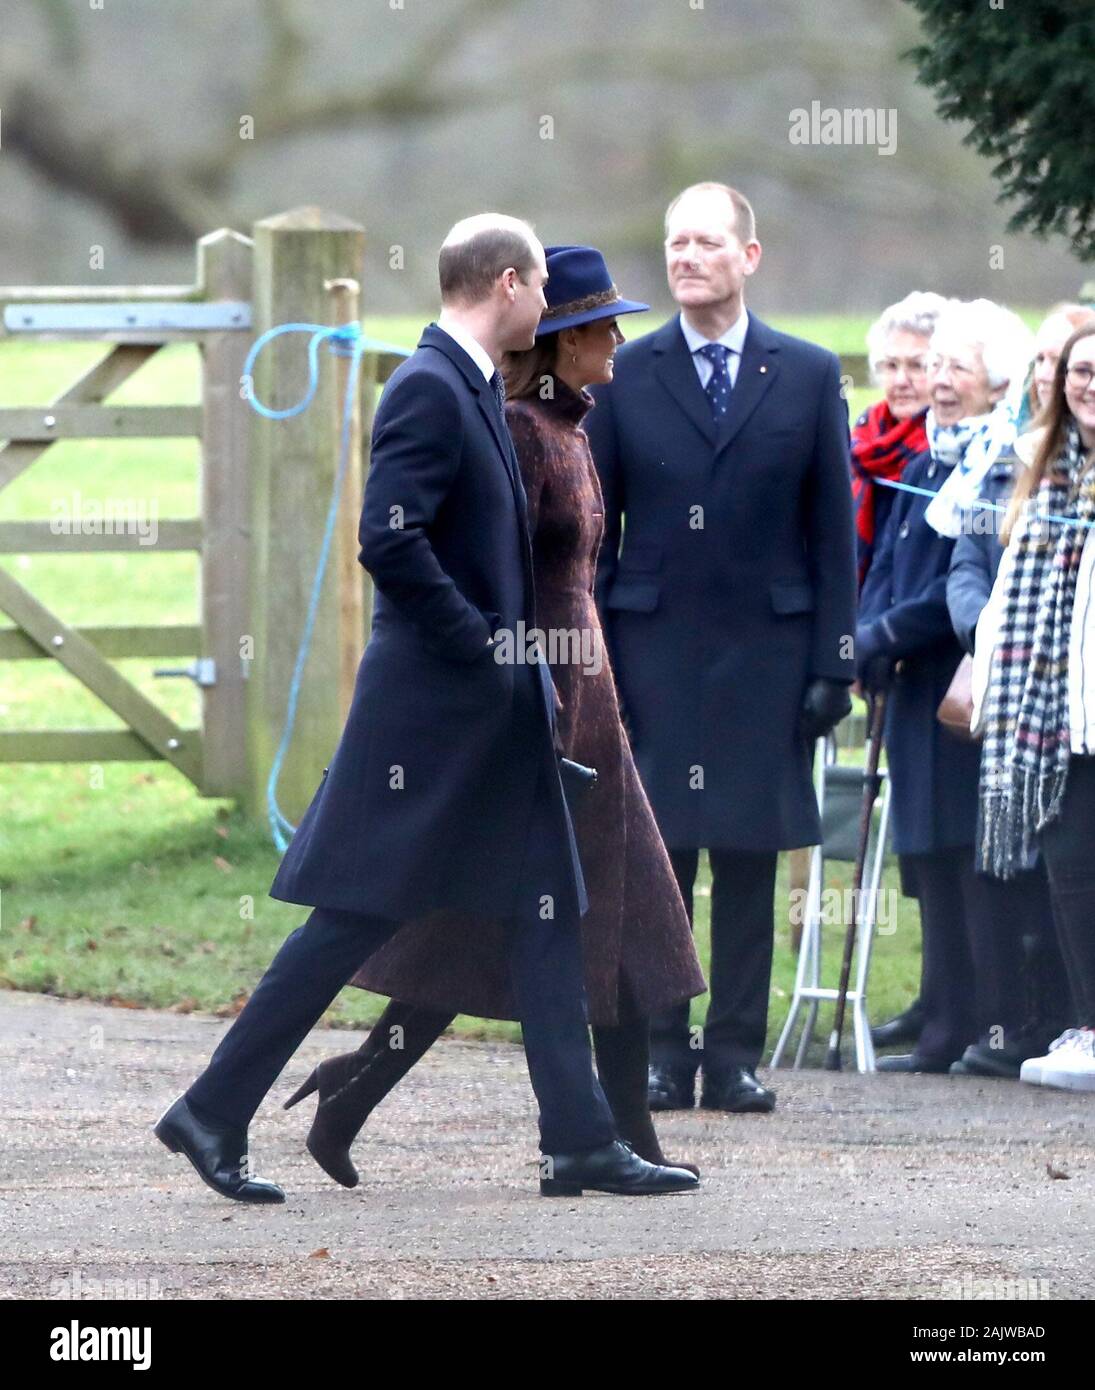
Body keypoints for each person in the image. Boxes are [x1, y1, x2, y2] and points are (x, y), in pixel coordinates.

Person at [153, 214, 698, 1201]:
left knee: (545, 912)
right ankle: (211, 1108)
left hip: (495, 721)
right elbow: (389, 542)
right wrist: (489, 647)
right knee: (346, 924)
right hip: (431, 728)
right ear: (503, 284)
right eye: (537, 284)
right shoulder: (428, 386)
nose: (545, 305)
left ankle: (577, 1140)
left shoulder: (474, 385)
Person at [584, 182, 857, 1114]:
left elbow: (833, 531)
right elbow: (593, 528)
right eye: (672, 243)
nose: (685, 257)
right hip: (651, 649)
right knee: (661, 863)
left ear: (749, 255)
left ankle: (733, 1054)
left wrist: (835, 661)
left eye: (704, 241)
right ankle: (663, 1049)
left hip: (769, 655)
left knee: (747, 856)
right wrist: (592, 660)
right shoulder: (628, 372)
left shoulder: (808, 373)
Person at [856, 297, 1033, 1073]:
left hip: (958, 677)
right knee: (925, 852)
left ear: (998, 384)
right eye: (933, 365)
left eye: (954, 367)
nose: (935, 381)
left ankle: (977, 1024)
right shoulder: (930, 459)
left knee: (965, 853)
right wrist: (864, 634)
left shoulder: (995, 460)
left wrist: (889, 633)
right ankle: (943, 1013)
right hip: (910, 678)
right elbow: (893, 566)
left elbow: (954, 584)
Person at [943, 307, 1095, 1076]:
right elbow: (992, 575)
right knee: (1067, 860)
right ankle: (1085, 1024)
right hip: (1048, 710)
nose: (1086, 385)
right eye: (1077, 371)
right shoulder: (1034, 463)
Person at [852, 291, 947, 1052]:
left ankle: (949, 1000)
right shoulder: (868, 445)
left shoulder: (940, 450)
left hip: (925, 649)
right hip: (880, 638)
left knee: (939, 834)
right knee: (912, 837)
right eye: (890, 363)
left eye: (919, 363)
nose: (904, 378)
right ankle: (932, 996)